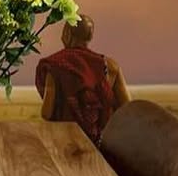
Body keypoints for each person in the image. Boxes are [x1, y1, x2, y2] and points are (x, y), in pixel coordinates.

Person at [34, 14, 129, 143]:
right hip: (101, 146)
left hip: (64, 142)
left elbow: (46, 113)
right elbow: (127, 109)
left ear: (67, 34)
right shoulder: (110, 66)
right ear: (90, 36)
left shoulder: (55, 66)